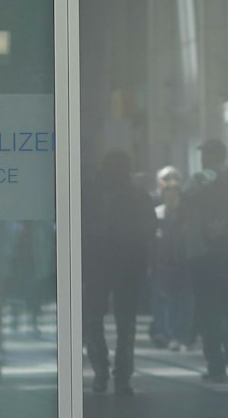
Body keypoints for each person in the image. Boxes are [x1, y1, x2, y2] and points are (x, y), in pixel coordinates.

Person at [82, 151, 158, 394]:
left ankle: (104, 372)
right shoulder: (134, 194)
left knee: (97, 320)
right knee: (122, 322)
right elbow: (149, 229)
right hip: (121, 265)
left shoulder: (91, 193)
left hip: (103, 265)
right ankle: (117, 375)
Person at [179, 138, 228, 382]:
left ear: (209, 155)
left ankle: (215, 364)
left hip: (202, 253)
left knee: (208, 311)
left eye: (204, 153)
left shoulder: (198, 179)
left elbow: (182, 202)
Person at [147, 165, 192, 350]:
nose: (171, 194)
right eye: (167, 191)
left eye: (175, 191)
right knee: (161, 299)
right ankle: (162, 333)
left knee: (183, 300)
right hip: (162, 264)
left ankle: (180, 335)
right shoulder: (156, 214)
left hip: (184, 264)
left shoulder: (188, 214)